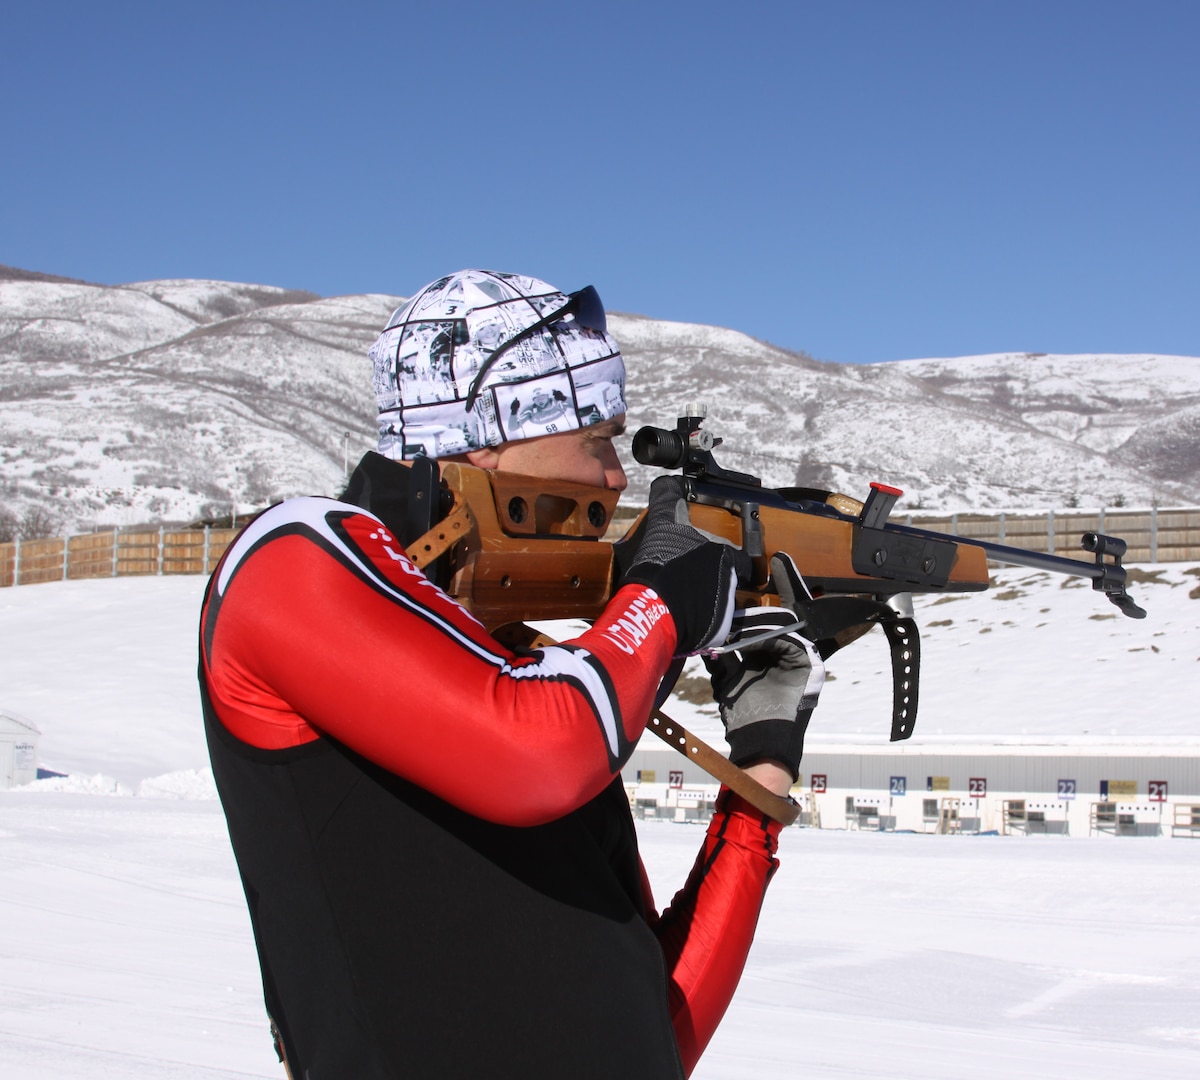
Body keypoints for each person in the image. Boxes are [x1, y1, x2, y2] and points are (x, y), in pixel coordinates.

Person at [199, 269, 823, 1079]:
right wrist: (660, 603)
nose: (615, 478)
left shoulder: (524, 680)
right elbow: (538, 755)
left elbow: (651, 1033)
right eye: (598, 440)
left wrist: (761, 770)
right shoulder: (292, 554)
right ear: (489, 431)